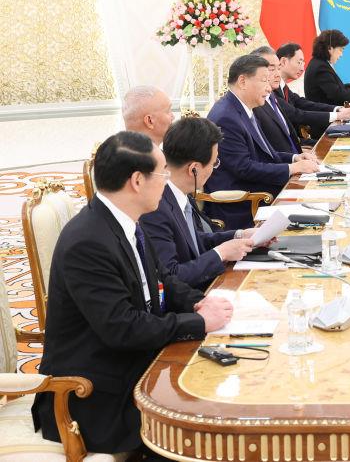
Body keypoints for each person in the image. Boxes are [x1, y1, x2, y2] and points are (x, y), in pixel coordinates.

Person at [32, 131, 233, 456]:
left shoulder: (127, 221)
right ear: (137, 181)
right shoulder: (88, 242)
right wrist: (198, 322)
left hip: (134, 364)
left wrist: (199, 302)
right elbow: (122, 327)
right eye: (162, 173)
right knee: (207, 422)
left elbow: (163, 279)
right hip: (94, 395)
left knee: (221, 382)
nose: (167, 181)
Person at [140, 117, 255, 290]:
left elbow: (193, 240)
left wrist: (240, 235)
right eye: (214, 163)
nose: (213, 169)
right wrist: (221, 253)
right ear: (193, 169)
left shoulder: (179, 191)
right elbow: (171, 276)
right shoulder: (155, 207)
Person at [205, 54, 319, 228]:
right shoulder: (226, 117)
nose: (269, 88)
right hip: (245, 201)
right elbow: (244, 168)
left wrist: (294, 158)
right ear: (242, 81)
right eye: (264, 80)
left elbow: (265, 153)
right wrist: (292, 168)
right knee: (313, 203)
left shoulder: (244, 108)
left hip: (261, 187)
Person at [250, 45, 340, 153]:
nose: (277, 74)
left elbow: (300, 102)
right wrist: (295, 155)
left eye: (278, 68)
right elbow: (295, 114)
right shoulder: (258, 102)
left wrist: (337, 110)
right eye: (299, 62)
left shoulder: (272, 94)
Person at [304, 29, 350, 108]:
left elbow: (330, 87)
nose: (341, 55)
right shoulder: (321, 68)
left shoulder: (319, 62)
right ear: (330, 48)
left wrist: (349, 86)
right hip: (324, 113)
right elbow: (337, 95)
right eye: (341, 50)